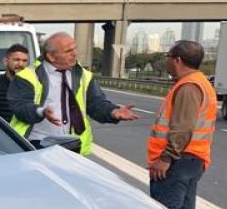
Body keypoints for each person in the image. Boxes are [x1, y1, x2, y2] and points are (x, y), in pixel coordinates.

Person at [7, 32, 139, 154]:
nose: (75, 54)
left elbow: (96, 104)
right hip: (36, 144)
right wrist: (41, 111)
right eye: (68, 51)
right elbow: (20, 106)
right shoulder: (28, 76)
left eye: (75, 48)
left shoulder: (84, 75)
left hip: (71, 145)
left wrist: (113, 112)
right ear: (51, 56)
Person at [147, 40, 216, 209]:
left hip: (178, 161)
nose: (167, 61)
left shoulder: (188, 87)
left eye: (168, 56)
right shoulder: (200, 83)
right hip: (192, 159)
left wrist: (166, 158)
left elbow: (182, 128)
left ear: (177, 60)